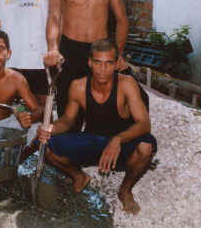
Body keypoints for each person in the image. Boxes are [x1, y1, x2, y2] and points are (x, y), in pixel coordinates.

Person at [37, 39, 156, 215]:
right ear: (90, 63)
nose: (102, 69)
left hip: (123, 146)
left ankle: (125, 190)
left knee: (146, 147)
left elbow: (144, 124)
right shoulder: (78, 86)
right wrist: (51, 129)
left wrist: (117, 140)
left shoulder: (126, 84)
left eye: (108, 63)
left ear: (116, 65)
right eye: (98, 63)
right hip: (94, 141)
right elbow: (68, 120)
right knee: (48, 148)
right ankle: (79, 176)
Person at [44, 0, 129, 116]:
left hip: (102, 51)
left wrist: (119, 54)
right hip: (70, 50)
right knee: (68, 108)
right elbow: (54, 18)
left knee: (103, 108)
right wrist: (52, 48)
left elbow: (122, 20)